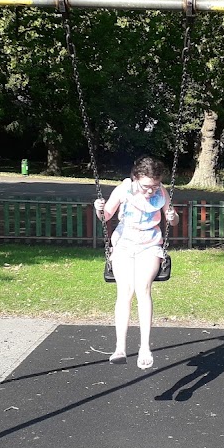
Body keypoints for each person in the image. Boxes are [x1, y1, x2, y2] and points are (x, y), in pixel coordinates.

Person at [94, 156, 178, 370]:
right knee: (125, 291)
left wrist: (172, 216)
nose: (151, 191)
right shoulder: (124, 189)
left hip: (150, 245)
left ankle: (145, 348)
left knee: (143, 288)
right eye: (147, 186)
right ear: (135, 178)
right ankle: (120, 348)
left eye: (156, 185)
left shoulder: (161, 192)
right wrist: (99, 208)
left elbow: (173, 220)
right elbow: (106, 215)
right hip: (124, 243)